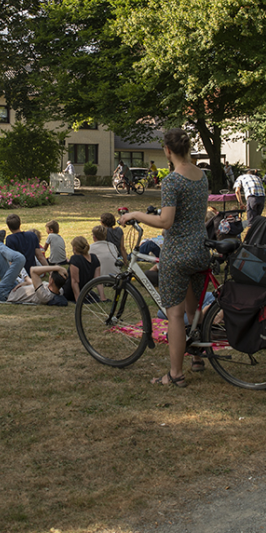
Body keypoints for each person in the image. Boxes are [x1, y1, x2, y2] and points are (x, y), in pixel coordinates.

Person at [118, 128, 209, 387]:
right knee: (193, 309)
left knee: (176, 315)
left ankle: (175, 374)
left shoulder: (172, 180)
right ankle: (197, 357)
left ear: (167, 151)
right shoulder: (201, 176)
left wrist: (135, 214)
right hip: (200, 249)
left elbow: (165, 221)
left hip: (178, 253)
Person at [63, 236, 100, 301]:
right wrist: (102, 297)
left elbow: (75, 282)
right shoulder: (94, 258)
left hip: (71, 293)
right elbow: (98, 280)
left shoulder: (75, 259)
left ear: (75, 248)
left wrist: (78, 300)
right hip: (85, 291)